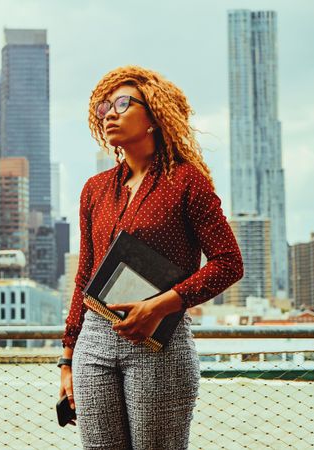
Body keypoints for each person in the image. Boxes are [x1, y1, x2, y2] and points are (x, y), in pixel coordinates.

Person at [58, 66, 244, 449]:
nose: (110, 112)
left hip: (159, 344)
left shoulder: (186, 181)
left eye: (123, 103)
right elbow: (84, 279)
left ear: (154, 117)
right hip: (93, 342)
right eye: (104, 107)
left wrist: (160, 306)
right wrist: (66, 359)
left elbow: (228, 262)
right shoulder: (94, 189)